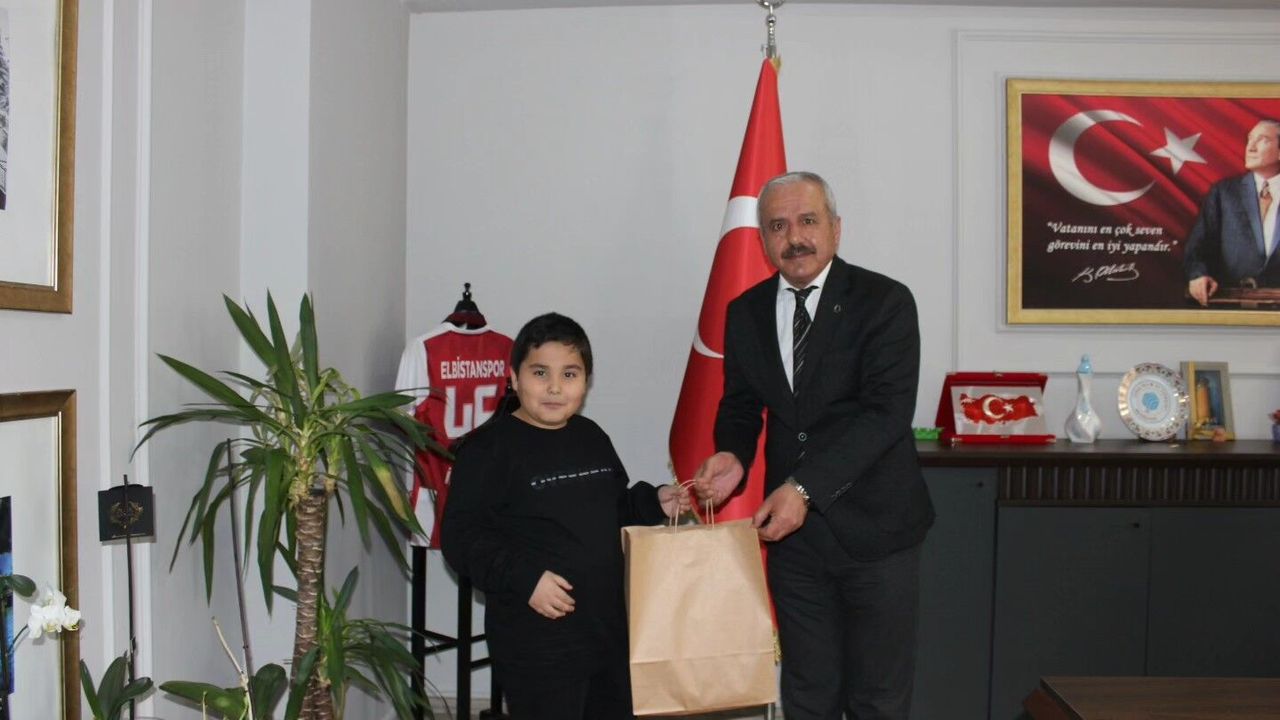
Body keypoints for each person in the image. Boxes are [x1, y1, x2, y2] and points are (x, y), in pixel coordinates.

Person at [693, 171, 934, 720]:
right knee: (808, 694)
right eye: (778, 226)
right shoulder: (745, 311)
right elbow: (740, 404)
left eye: (807, 221)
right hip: (796, 548)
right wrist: (732, 454)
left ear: (835, 228)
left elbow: (886, 415)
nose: (794, 237)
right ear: (762, 239)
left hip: (878, 534)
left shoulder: (885, 301)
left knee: (877, 699)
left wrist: (803, 488)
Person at [441, 312, 688, 720]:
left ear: (586, 382)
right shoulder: (487, 449)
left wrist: (655, 502)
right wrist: (525, 579)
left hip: (607, 633)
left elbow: (613, 509)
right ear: (514, 377)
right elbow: (461, 537)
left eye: (570, 374)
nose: (555, 387)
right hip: (537, 643)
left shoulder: (592, 437)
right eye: (540, 373)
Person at [1185, 119, 1280, 306]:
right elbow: (1198, 247)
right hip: (1229, 304)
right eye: (1250, 139)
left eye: (1263, 140)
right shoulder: (1223, 193)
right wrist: (1198, 275)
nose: (1250, 147)